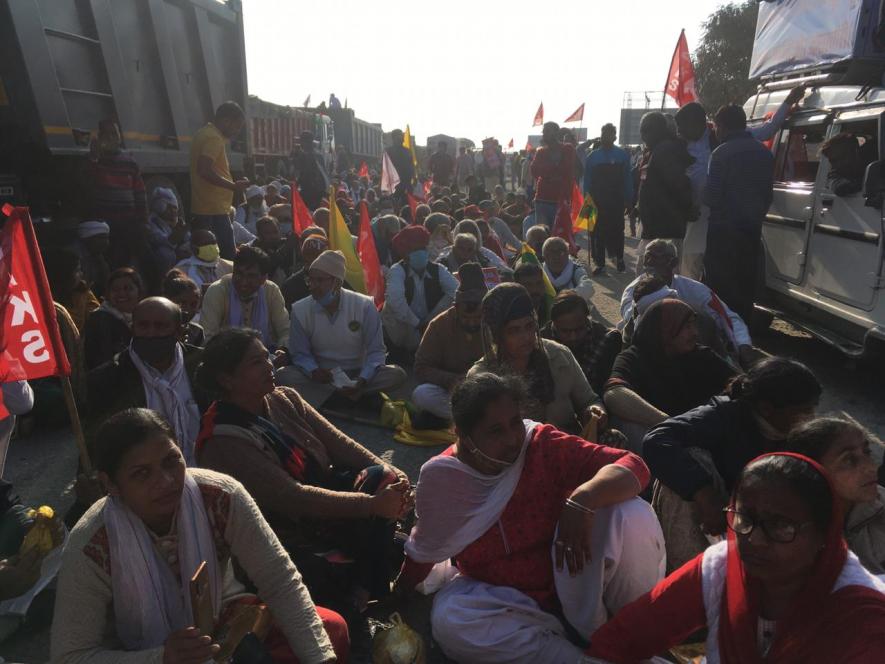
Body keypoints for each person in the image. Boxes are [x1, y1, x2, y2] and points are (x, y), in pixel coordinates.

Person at [395, 373, 664, 663]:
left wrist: (582, 500)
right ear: (462, 434)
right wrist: (397, 593)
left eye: (514, 423)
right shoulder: (443, 478)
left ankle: (630, 631)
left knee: (631, 512)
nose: (512, 439)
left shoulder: (540, 445)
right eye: (495, 431)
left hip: (571, 572)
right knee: (451, 621)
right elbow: (425, 550)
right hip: (503, 598)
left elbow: (633, 466)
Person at [51, 408, 348, 664]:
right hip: (137, 653)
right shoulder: (91, 544)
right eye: (142, 474)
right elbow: (70, 656)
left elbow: (279, 580)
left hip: (218, 623)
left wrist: (319, 658)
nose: (166, 482)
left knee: (329, 631)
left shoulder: (220, 496)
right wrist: (161, 658)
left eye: (171, 461)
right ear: (110, 485)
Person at [195, 328, 411, 624]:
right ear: (226, 379)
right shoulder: (225, 439)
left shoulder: (284, 399)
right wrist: (372, 505)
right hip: (285, 531)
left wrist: (397, 477)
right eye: (256, 362)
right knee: (342, 563)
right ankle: (365, 585)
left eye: (267, 357)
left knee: (381, 477)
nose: (270, 365)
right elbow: (292, 498)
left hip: (322, 511)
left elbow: (340, 444)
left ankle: (364, 580)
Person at [586, 453, 885, 663]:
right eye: (744, 518)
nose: (754, 539)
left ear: (824, 535)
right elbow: (627, 636)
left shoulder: (863, 618)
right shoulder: (723, 568)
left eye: (781, 526)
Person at [643, 357, 821, 570]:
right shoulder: (723, 416)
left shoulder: (797, 435)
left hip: (758, 522)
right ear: (766, 408)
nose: (811, 418)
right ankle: (691, 574)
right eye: (804, 411)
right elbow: (657, 440)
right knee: (689, 460)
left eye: (813, 409)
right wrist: (703, 492)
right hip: (718, 520)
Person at [675, 86, 803, 279]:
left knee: (715, 270)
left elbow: (768, 130)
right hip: (692, 216)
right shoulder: (677, 145)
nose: (681, 132)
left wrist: (788, 102)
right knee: (689, 268)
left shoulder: (721, 135)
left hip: (720, 216)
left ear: (700, 122)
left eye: (684, 127)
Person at [469, 283, 609, 435]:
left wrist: (594, 411)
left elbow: (589, 400)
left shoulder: (558, 355)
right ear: (497, 336)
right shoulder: (481, 378)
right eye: (514, 330)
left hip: (569, 447)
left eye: (529, 326)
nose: (526, 337)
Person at [278, 250, 406, 408]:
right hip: (322, 375)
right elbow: (300, 354)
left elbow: (376, 352)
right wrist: (314, 371)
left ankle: (334, 396)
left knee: (396, 374)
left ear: (337, 282)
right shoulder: (300, 309)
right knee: (284, 375)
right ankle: (357, 398)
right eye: (310, 280)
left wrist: (363, 379)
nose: (313, 286)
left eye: (319, 280)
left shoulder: (364, 305)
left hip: (358, 372)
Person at [604, 298, 736, 452]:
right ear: (665, 329)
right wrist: (669, 424)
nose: (695, 332)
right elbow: (614, 393)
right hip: (662, 439)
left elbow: (740, 383)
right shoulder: (635, 358)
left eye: (694, 324)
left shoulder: (701, 356)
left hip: (702, 436)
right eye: (686, 326)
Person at [87, 297, 205, 465]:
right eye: (143, 326)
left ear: (179, 331)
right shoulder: (107, 379)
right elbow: (97, 444)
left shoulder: (203, 365)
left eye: (160, 326)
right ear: (132, 329)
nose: (151, 333)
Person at [621, 239, 754, 366]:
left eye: (656, 257)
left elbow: (727, 317)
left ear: (673, 263)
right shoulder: (633, 292)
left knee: (705, 322)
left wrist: (743, 345)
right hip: (651, 355)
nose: (649, 263)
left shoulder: (696, 290)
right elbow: (631, 323)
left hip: (692, 352)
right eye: (647, 257)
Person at [704, 104, 775, 323]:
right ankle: (742, 331)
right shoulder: (764, 152)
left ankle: (722, 332)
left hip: (723, 231)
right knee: (745, 283)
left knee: (719, 286)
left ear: (722, 127)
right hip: (752, 229)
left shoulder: (720, 154)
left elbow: (712, 196)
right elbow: (767, 194)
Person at [787, 416, 885, 574]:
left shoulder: (879, 507)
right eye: (848, 460)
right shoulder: (793, 534)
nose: (871, 468)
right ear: (813, 471)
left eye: (867, 452)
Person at [412, 263, 487, 421]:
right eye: (466, 318)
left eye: (477, 318)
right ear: (456, 308)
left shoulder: (495, 322)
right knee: (422, 394)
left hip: (488, 390)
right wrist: (451, 380)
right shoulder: (439, 325)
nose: (472, 323)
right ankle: (477, 420)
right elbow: (421, 367)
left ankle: (469, 419)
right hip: (452, 391)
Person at [200, 246, 290, 357]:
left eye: (251, 276)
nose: (243, 282)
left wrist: (282, 350)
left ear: (263, 279)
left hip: (267, 357)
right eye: (239, 273)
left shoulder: (271, 291)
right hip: (226, 360)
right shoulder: (217, 291)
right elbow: (207, 337)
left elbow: (285, 330)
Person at [382, 226, 459, 353]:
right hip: (403, 327)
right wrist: (417, 323)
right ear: (405, 254)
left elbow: (456, 291)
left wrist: (431, 321)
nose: (420, 253)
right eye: (415, 250)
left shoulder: (438, 269)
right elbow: (395, 301)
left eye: (422, 248)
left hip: (430, 324)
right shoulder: (397, 270)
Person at [190, 101, 249, 260]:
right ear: (226, 121)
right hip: (213, 209)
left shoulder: (203, 133)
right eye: (236, 126)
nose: (236, 132)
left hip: (205, 206)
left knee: (207, 256)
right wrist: (233, 186)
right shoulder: (214, 138)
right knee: (226, 256)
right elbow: (204, 169)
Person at [635, 111, 694, 272]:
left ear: (660, 129)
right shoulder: (655, 151)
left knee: (653, 277)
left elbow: (678, 185)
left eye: (647, 129)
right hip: (656, 230)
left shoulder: (665, 151)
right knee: (646, 277)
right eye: (642, 130)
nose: (643, 135)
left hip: (665, 232)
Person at [85, 119, 148, 268]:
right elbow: (87, 182)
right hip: (106, 221)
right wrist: (93, 156)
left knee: (140, 256)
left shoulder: (130, 162)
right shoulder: (95, 161)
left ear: (120, 136)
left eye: (114, 133)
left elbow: (140, 193)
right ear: (100, 137)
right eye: (107, 135)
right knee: (111, 258)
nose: (112, 138)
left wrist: (144, 220)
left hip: (129, 220)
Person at [541, 291, 622, 396]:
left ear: (586, 319)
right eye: (565, 331)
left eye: (579, 329)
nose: (573, 337)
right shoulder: (540, 342)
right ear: (554, 324)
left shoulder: (607, 340)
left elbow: (609, 386)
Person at [583, 123, 633, 274]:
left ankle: (619, 259)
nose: (606, 136)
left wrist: (629, 198)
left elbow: (627, 178)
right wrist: (587, 200)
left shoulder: (622, 155)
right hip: (597, 200)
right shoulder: (592, 157)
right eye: (604, 133)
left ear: (614, 136)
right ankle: (600, 264)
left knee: (618, 230)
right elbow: (587, 180)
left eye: (609, 134)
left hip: (616, 200)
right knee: (597, 231)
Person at [84, 267, 143, 369]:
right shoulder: (100, 321)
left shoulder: (145, 316)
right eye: (115, 290)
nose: (121, 294)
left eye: (128, 288)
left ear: (139, 291)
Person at [530, 122, 576, 228]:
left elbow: (567, 169)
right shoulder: (541, 151)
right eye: (543, 131)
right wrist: (554, 171)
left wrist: (547, 172)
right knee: (542, 236)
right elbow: (534, 170)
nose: (543, 134)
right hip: (542, 200)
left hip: (561, 201)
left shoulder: (567, 149)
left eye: (546, 131)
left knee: (559, 237)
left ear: (555, 132)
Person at [145, 187, 189, 289]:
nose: (173, 211)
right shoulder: (152, 222)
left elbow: (188, 240)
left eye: (174, 207)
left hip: (179, 256)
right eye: (168, 207)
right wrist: (175, 238)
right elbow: (158, 240)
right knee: (165, 253)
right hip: (158, 260)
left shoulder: (178, 221)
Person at [821, 132, 874, 197]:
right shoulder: (836, 175)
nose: (834, 164)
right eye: (832, 160)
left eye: (837, 159)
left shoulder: (869, 158)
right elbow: (839, 186)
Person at [162, 272, 205, 346]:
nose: (187, 310)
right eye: (181, 303)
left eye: (193, 305)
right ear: (167, 300)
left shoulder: (197, 332)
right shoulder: (156, 329)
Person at [293, 131, 331, 211]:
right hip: (317, 191)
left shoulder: (306, 156)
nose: (301, 144)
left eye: (302, 141)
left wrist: (295, 186)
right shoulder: (318, 155)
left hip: (310, 191)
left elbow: (303, 174)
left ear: (307, 142)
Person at [74, 220, 111, 299]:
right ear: (87, 238)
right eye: (100, 238)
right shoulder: (75, 256)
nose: (105, 242)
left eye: (106, 238)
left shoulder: (98, 256)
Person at [513, 261, 550, 327]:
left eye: (538, 283)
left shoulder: (551, 307)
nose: (534, 289)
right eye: (528, 285)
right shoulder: (510, 314)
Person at [386, 129, 415, 204]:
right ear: (393, 138)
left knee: (407, 204)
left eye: (400, 136)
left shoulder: (407, 151)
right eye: (397, 136)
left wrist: (414, 178)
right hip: (393, 184)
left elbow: (412, 166)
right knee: (393, 203)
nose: (399, 138)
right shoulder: (388, 151)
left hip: (406, 183)